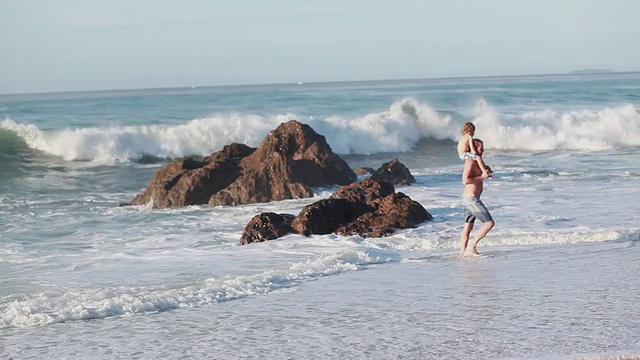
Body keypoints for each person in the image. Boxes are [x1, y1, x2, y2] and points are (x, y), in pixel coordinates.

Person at [460, 138, 494, 257]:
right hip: (471, 199)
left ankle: (462, 253)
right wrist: (482, 177)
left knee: (468, 227)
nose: (483, 149)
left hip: (469, 198)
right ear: (474, 148)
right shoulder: (470, 161)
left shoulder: (477, 160)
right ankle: (471, 247)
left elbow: (481, 172)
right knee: (489, 223)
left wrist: (486, 171)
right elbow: (465, 180)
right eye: (481, 147)